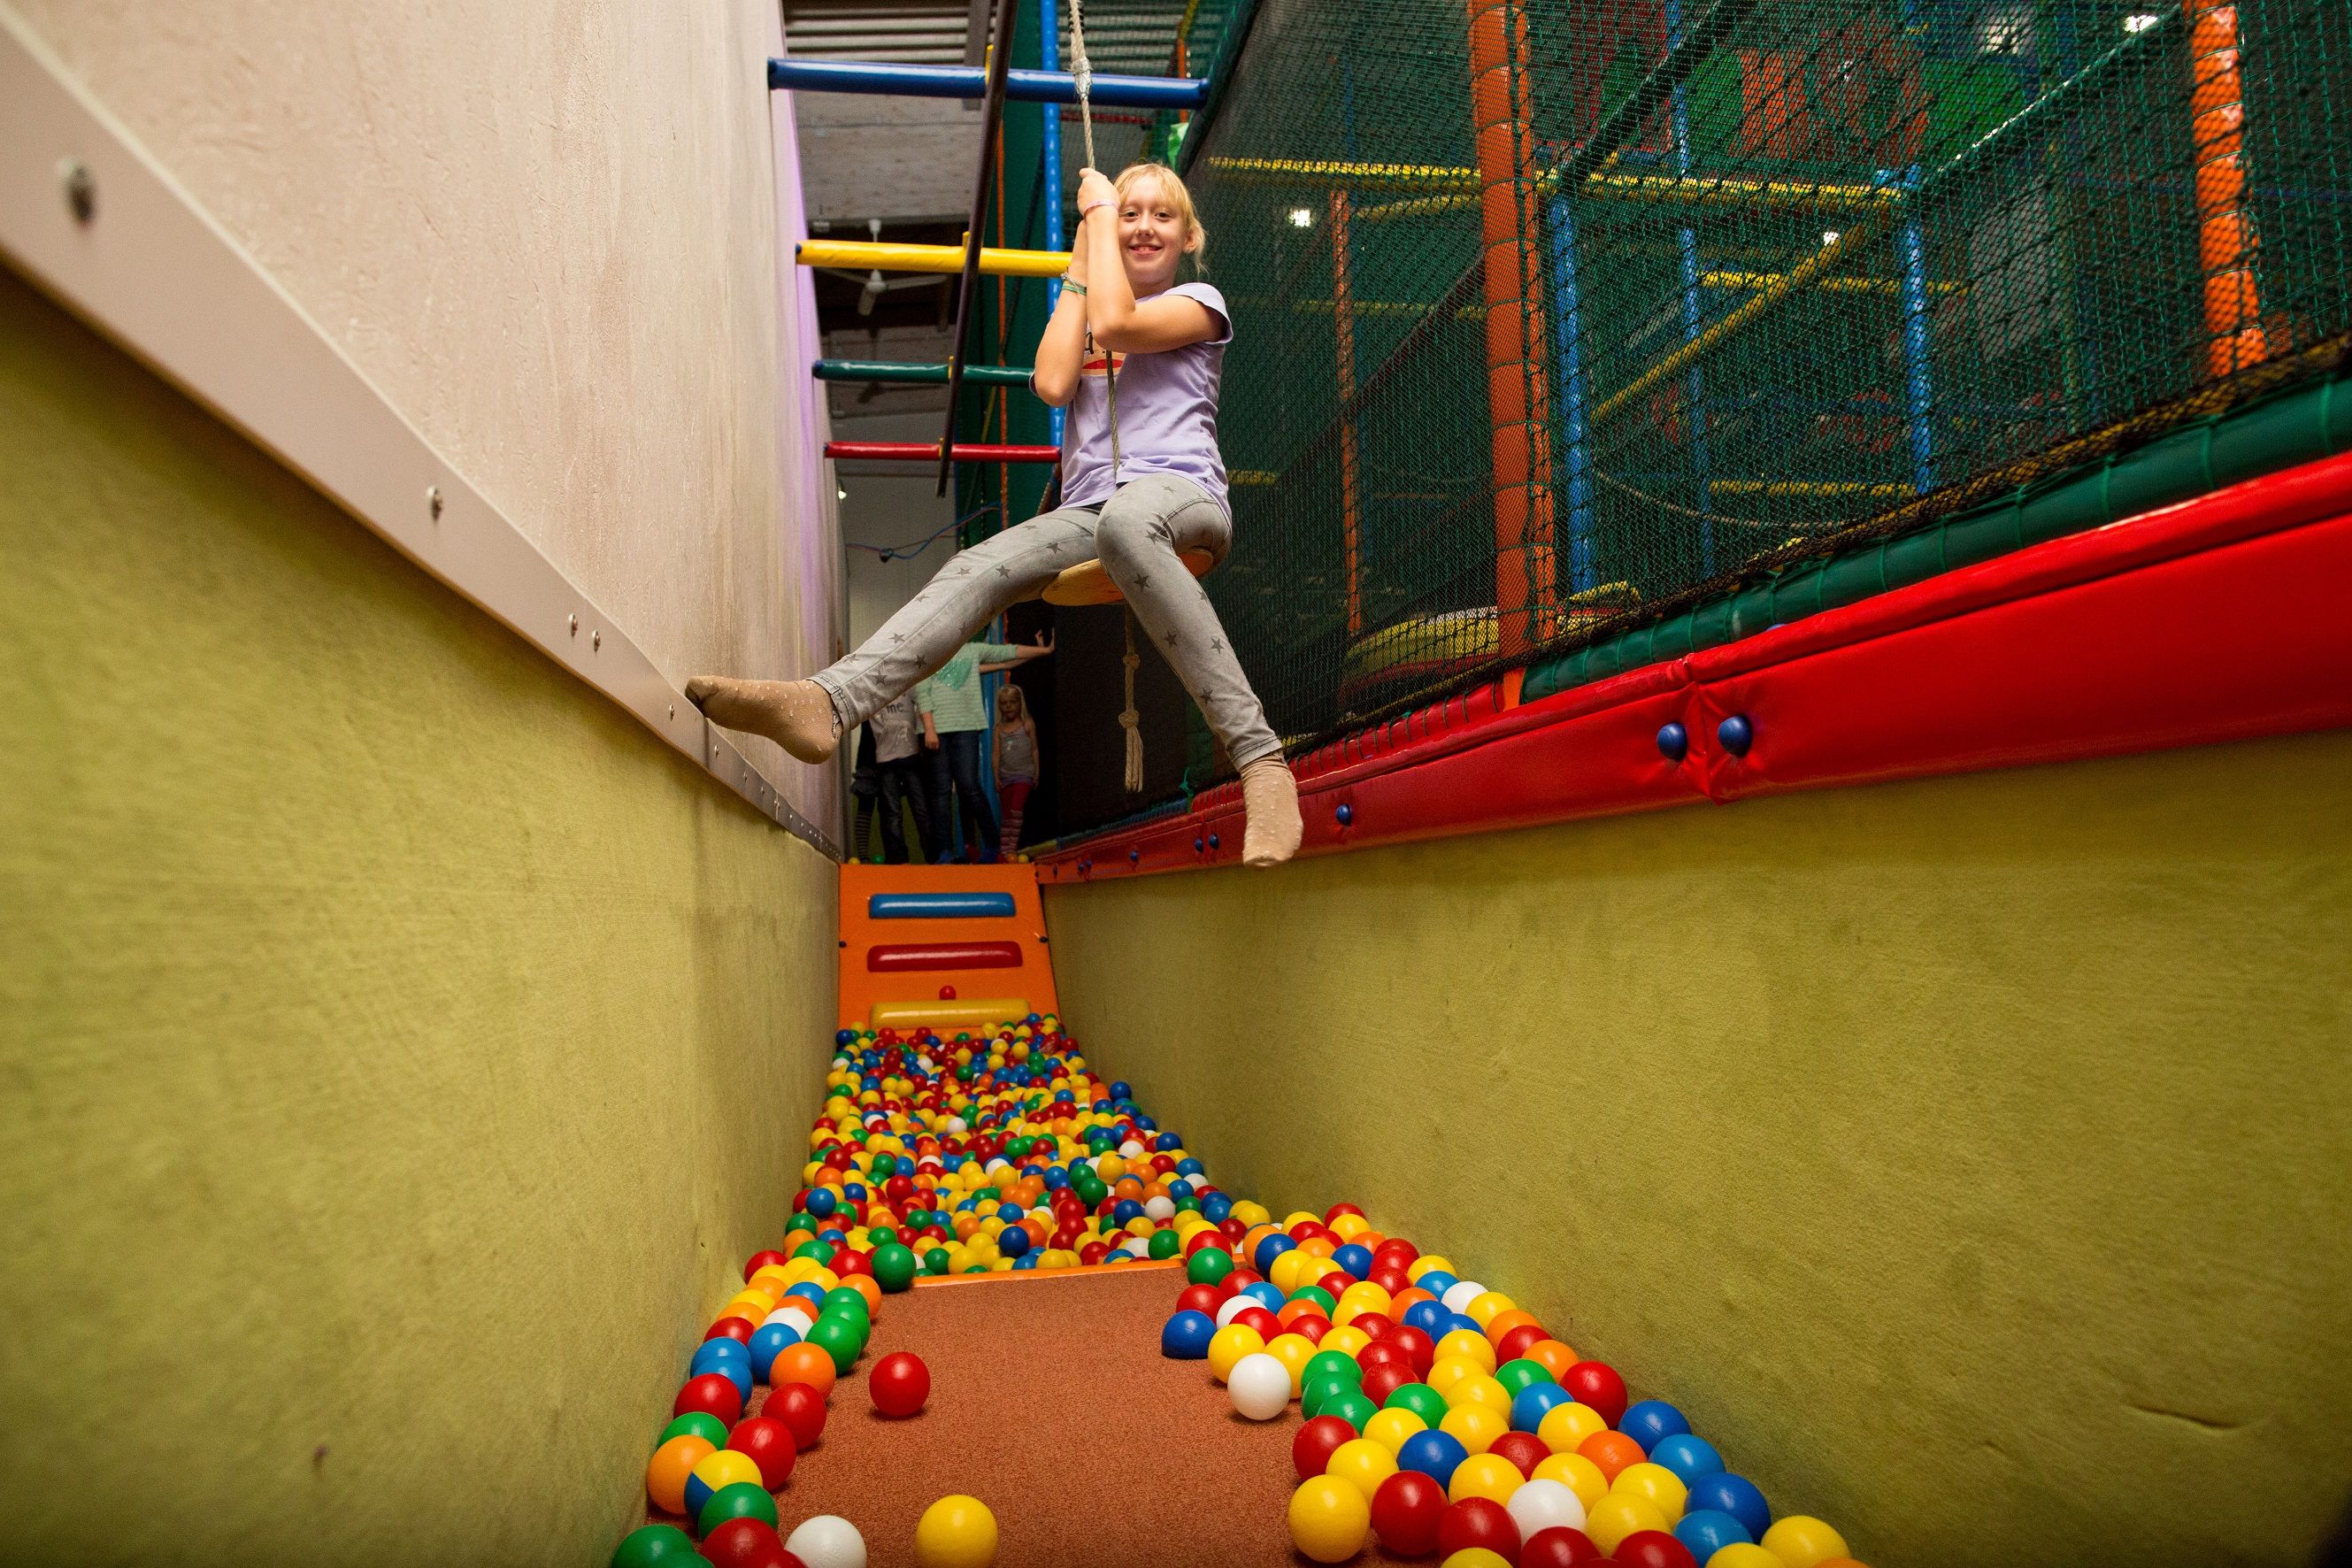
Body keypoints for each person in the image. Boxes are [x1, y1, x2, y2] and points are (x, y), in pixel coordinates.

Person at [686, 160, 1303, 866]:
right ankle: (828, 704)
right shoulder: (1095, 298)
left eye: (1161, 215)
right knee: (979, 565)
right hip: (1095, 510)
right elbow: (1050, 382)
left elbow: (1118, 320)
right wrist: (1079, 260)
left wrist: (1099, 217)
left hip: (1181, 496)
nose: (1141, 226)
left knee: (1126, 523)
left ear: (1189, 235)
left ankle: (1261, 761)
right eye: (1128, 212)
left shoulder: (1200, 300)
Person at [917, 634, 1052, 863]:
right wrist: (929, 727)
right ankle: (944, 851)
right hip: (936, 730)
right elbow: (922, 691)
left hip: (966, 727)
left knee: (969, 785)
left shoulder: (971, 651)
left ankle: (992, 845)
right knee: (940, 791)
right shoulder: (929, 655)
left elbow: (1008, 652)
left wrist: (1045, 651)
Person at [867, 688, 932, 864]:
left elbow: (924, 704)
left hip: (911, 755)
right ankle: (898, 858)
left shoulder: (909, 685)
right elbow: (873, 720)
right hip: (885, 758)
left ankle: (932, 856)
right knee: (892, 811)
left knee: (921, 809)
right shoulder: (876, 690)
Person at [993, 681, 1041, 860]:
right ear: (1000, 706)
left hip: (1024, 775)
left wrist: (1036, 771)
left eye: (1012, 702)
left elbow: (1035, 749)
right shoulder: (999, 729)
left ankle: (1011, 848)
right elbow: (996, 754)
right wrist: (996, 776)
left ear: (1020, 703)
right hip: (1006, 777)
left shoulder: (1027, 724)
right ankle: (1004, 851)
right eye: (1004, 703)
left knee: (1016, 810)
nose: (1009, 707)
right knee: (1006, 816)